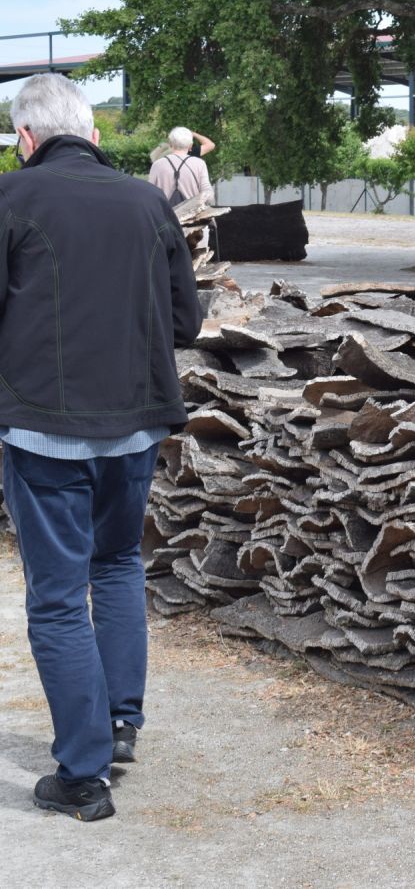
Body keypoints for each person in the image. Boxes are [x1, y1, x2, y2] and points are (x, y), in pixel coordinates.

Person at [1, 74, 202, 821]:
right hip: (134, 427)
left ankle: (83, 777)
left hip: (44, 432)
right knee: (116, 566)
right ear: (91, 134)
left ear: (26, 138)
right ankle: (120, 726)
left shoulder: (10, 197)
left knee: (57, 599)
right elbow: (186, 322)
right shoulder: (146, 201)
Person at [147, 126, 214, 206]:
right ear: (190, 146)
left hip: (164, 212)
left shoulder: (157, 164)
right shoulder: (199, 163)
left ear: (170, 144)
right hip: (191, 212)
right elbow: (208, 194)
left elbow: (149, 193)